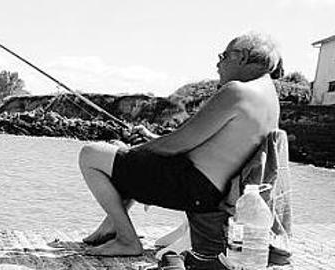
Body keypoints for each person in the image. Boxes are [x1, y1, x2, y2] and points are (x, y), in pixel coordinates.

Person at [78, 32, 283, 257]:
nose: (218, 64)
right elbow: (206, 144)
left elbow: (176, 144)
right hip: (207, 188)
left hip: (193, 188)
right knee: (119, 151)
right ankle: (111, 227)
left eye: (223, 56)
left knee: (91, 155)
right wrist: (146, 143)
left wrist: (133, 152)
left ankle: (127, 240)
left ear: (241, 57)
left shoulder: (237, 91)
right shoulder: (268, 96)